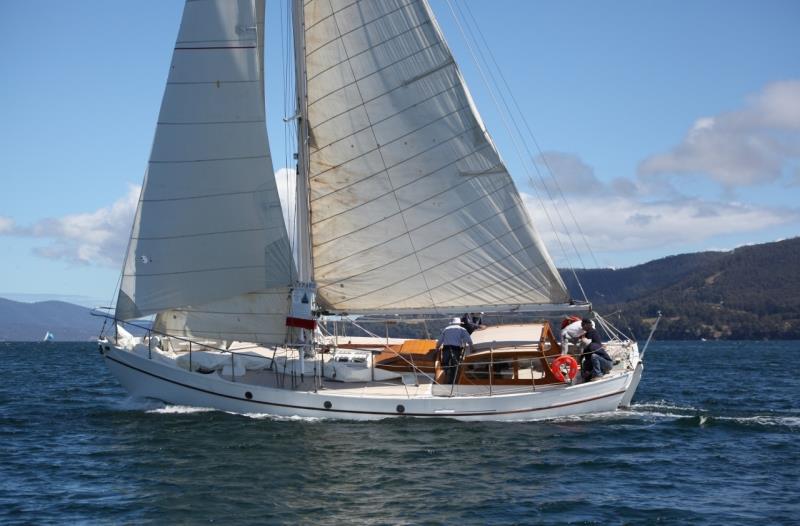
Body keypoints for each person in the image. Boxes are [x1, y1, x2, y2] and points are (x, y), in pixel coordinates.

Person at [436, 317, 473, 384]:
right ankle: (452, 381)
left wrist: (437, 348)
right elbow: (469, 341)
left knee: (445, 365)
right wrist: (471, 350)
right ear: (459, 323)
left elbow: (440, 341)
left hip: (446, 350)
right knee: (454, 366)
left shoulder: (446, 329)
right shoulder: (462, 329)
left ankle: (444, 379)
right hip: (456, 350)